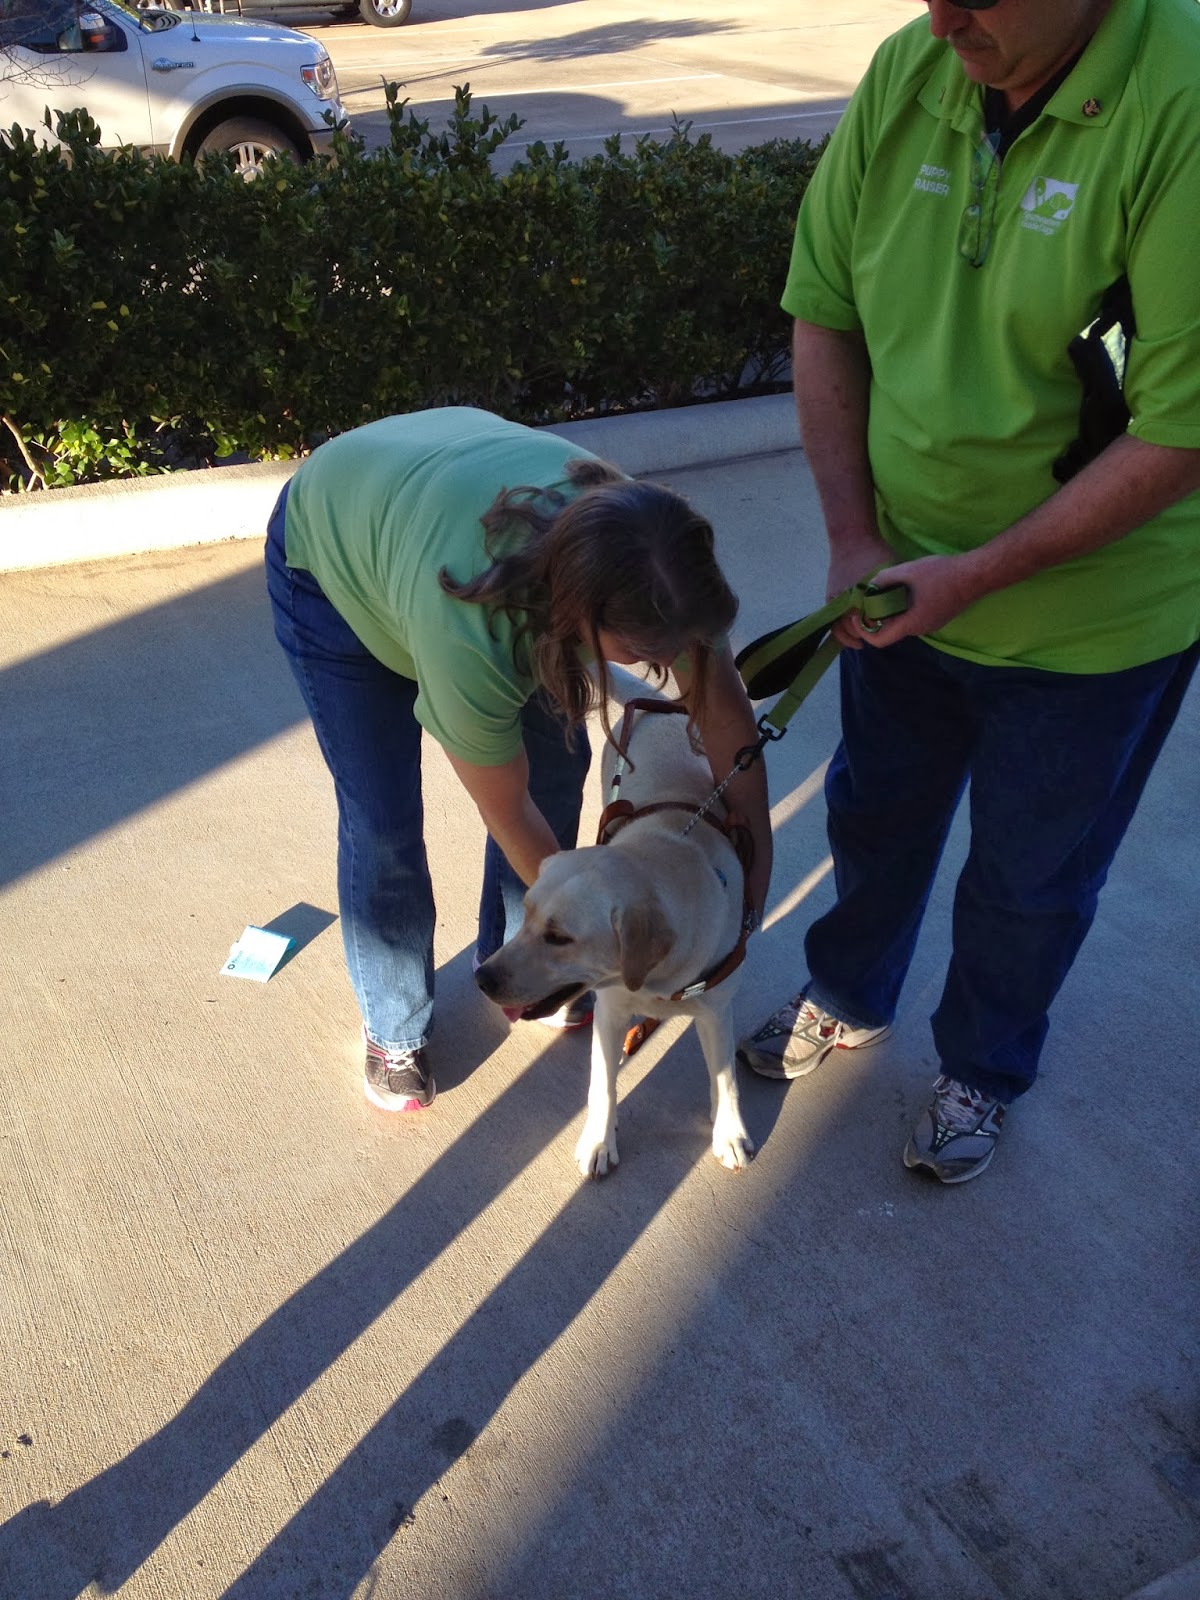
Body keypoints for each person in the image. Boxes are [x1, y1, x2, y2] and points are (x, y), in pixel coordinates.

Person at [738, 0, 1200, 1182]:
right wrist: (852, 538)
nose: (943, 17)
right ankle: (847, 990)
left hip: (1095, 625)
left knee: (1032, 873)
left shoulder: (1182, 97)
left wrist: (979, 575)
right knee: (874, 811)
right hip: (898, 578)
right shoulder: (915, 67)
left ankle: (982, 1067)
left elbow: (1183, 435)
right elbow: (824, 308)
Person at [266, 406, 771, 1112]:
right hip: (333, 548)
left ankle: (516, 956)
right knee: (382, 818)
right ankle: (395, 1025)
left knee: (560, 767)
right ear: (577, 615)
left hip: (431, 486)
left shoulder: (659, 568)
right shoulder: (474, 634)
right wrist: (612, 942)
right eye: (644, 655)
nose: (662, 666)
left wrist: (755, 872)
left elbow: (724, 717)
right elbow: (504, 807)